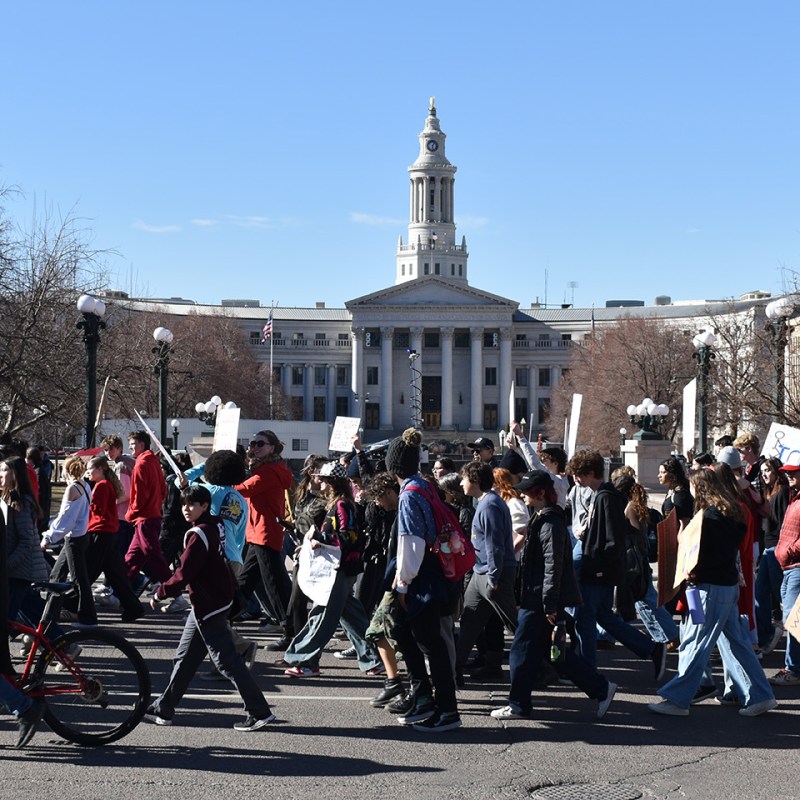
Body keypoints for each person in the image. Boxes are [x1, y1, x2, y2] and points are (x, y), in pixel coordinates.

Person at [145, 484, 276, 731]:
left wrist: (161, 592)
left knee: (226, 662)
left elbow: (184, 573)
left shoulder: (198, 534)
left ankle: (259, 712)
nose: (186, 508)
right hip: (211, 600)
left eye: (192, 504)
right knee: (185, 658)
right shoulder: (215, 523)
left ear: (205, 506)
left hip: (210, 604)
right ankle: (164, 708)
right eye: (184, 503)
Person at [649, 468, 777, 716]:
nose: (692, 491)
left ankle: (677, 700)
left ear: (702, 489)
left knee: (697, 642)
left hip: (705, 589)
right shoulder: (731, 513)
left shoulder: (708, 517)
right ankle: (760, 696)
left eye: (694, 487)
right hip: (720, 588)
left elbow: (703, 556)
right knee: (735, 644)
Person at [491, 470, 616, 720]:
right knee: (554, 653)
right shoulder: (545, 518)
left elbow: (553, 566)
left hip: (540, 600)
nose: (522, 495)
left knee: (522, 651)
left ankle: (519, 704)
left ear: (539, 493)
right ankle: (600, 688)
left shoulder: (549, 522)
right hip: (538, 598)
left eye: (527, 491)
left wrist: (548, 605)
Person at [568, 450, 666, 678]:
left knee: (585, 620)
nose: (575, 479)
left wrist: (600, 568)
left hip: (597, 570)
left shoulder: (605, 497)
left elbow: (613, 537)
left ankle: (588, 672)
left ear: (590, 473)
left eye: (578, 475)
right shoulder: (603, 495)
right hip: (599, 568)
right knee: (604, 617)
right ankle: (651, 648)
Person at [388, 427, 461, 732]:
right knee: (414, 635)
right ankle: (425, 699)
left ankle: (445, 710)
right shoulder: (425, 486)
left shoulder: (409, 495)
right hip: (433, 571)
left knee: (428, 642)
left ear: (393, 468)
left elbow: (411, 542)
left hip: (420, 576)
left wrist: (402, 584)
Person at [282, 461, 381, 677]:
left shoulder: (342, 505)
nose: (320, 483)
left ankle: (305, 661)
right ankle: (374, 659)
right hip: (342, 568)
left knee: (322, 615)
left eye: (324, 480)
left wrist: (320, 537)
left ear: (332, 483)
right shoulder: (337, 504)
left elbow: (349, 536)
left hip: (338, 569)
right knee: (352, 617)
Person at [234, 430, 294, 645]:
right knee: (245, 581)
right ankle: (225, 619)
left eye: (260, 443)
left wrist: (217, 481)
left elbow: (242, 490)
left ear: (272, 447)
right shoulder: (265, 468)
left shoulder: (269, 471)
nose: (255, 446)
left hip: (265, 533)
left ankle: (290, 631)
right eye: (253, 443)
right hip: (257, 532)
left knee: (275, 585)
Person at [79, 455, 145, 623]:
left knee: (87, 573)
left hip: (100, 532)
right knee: (116, 575)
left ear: (100, 470)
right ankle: (133, 607)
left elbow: (95, 510)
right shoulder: (105, 484)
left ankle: (76, 606)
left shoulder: (101, 486)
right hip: (108, 531)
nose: (88, 473)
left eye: (90, 469)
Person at [42, 455, 97, 626]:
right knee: (57, 576)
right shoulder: (84, 485)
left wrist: (48, 537)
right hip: (79, 536)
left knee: (78, 580)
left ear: (66, 470)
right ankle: (50, 616)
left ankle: (88, 618)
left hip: (74, 539)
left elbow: (65, 519)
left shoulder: (72, 489)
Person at [124, 430, 170, 592]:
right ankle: (119, 593)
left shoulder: (141, 464)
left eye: (132, 445)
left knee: (154, 557)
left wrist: (130, 514)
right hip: (152, 516)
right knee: (132, 558)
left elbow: (139, 497)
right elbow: (163, 491)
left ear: (142, 444)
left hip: (145, 518)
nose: (130, 448)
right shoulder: (154, 462)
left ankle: (175, 592)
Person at [755, 457, 789, 655]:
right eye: (762, 471)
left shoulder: (782, 491)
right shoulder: (768, 492)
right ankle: (764, 637)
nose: (765, 474)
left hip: (776, 549)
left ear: (777, 471)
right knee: (761, 594)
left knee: (784, 596)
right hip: (767, 549)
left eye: (768, 470)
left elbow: (784, 522)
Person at [771, 462, 800, 686]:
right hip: (789, 567)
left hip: (796, 567)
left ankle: (793, 670)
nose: (789, 476)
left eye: (793, 473)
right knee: (793, 621)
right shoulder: (793, 497)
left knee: (794, 622)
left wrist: (787, 552)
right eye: (787, 473)